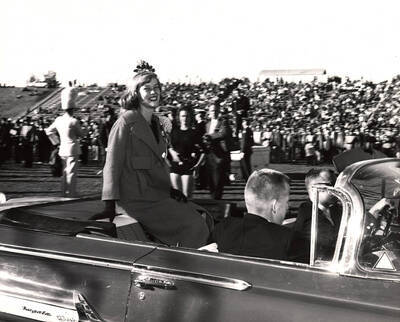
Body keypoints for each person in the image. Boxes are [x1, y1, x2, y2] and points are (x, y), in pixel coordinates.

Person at [99, 61, 209, 248]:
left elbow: (157, 166)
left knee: (203, 217)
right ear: (135, 92)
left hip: (157, 196)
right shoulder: (125, 122)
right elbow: (112, 164)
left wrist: (170, 190)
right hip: (134, 201)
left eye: (156, 87)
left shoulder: (158, 124)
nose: (153, 92)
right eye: (147, 88)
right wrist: (109, 207)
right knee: (194, 225)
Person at [211, 169, 305, 260]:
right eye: (286, 202)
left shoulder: (222, 229)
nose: (287, 207)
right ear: (274, 205)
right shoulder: (289, 240)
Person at [294, 168, 342, 260]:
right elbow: (329, 244)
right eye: (331, 184)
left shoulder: (335, 209)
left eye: (337, 184)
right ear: (313, 189)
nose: (337, 189)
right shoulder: (308, 213)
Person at [46, 82, 82, 197]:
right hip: (72, 149)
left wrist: (56, 142)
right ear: (73, 108)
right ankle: (71, 193)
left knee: (65, 172)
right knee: (71, 172)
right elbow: (81, 134)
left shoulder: (58, 120)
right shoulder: (74, 121)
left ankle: (64, 192)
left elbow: (48, 131)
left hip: (63, 148)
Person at [169, 106, 204, 199]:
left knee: (187, 197)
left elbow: (204, 151)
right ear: (179, 117)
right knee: (176, 197)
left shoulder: (195, 133)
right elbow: (168, 146)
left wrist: (198, 165)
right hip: (175, 166)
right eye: (183, 116)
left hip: (188, 166)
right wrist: (172, 153)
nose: (185, 118)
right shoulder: (173, 132)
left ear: (190, 118)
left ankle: (187, 213)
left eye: (187, 116)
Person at [203, 104, 232, 200]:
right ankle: (213, 197)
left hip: (219, 154)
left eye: (215, 110)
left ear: (218, 111)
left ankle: (217, 198)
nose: (213, 112)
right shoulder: (207, 124)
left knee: (218, 178)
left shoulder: (223, 122)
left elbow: (223, 133)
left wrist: (210, 137)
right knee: (210, 178)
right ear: (209, 112)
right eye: (212, 110)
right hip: (209, 153)